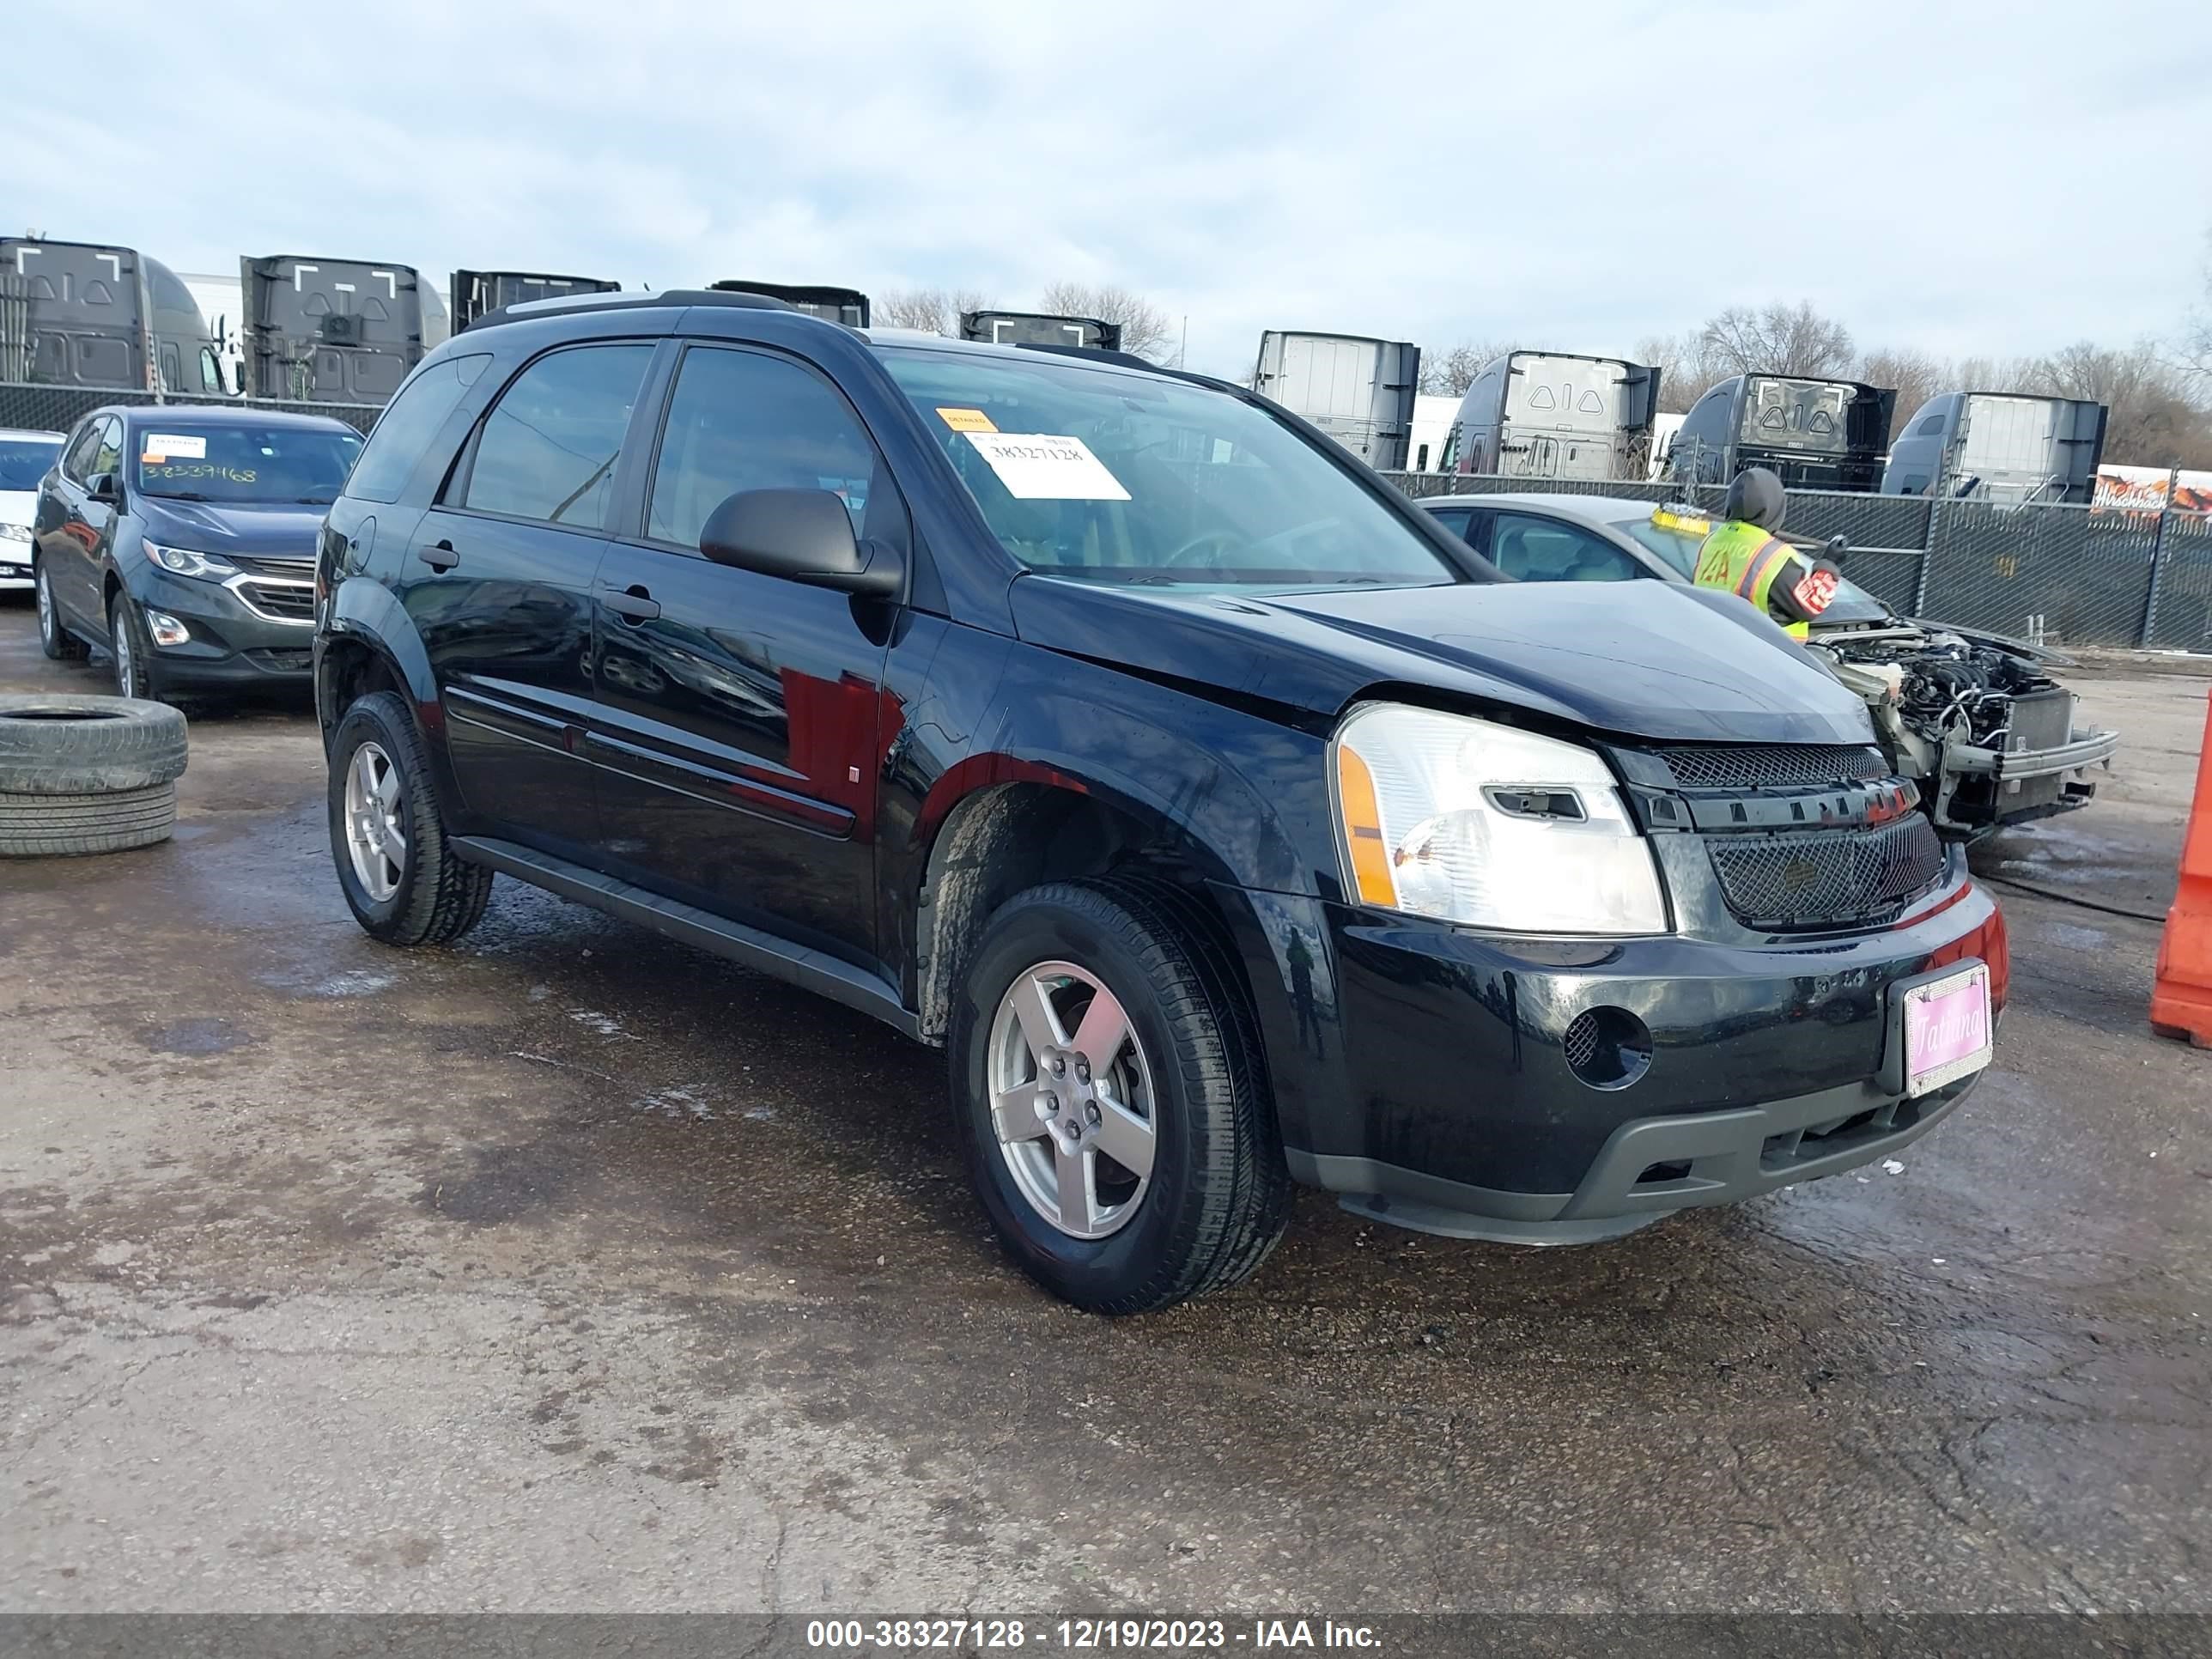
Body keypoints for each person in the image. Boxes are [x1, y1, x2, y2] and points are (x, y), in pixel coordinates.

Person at [1691, 466, 1841, 640]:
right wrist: (1830, 563)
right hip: (1767, 655)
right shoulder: (1771, 555)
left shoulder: (1711, 542)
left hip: (1715, 644)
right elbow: (1810, 603)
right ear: (1775, 508)